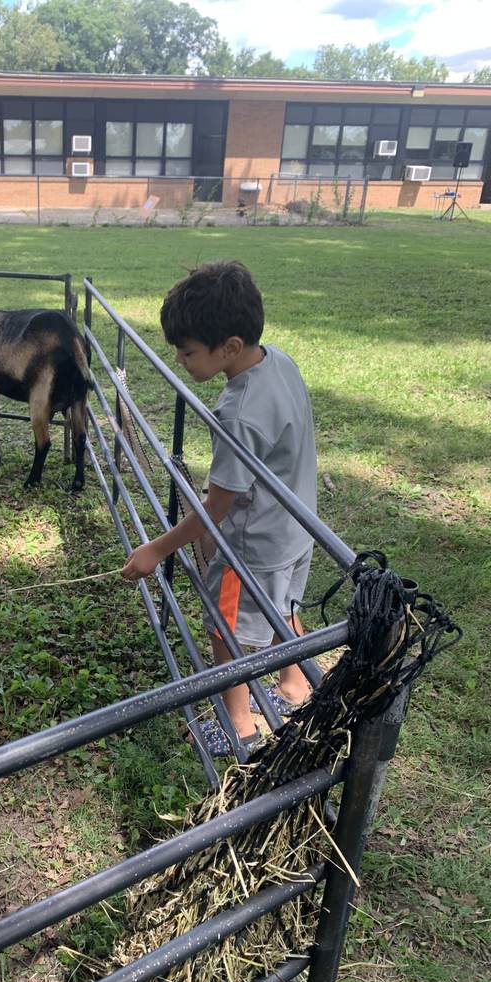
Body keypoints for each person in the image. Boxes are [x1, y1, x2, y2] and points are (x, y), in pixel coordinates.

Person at [122, 261, 317, 757]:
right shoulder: (281, 363)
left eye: (187, 352)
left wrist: (155, 549)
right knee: (285, 608)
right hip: (295, 530)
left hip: (252, 545)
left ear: (229, 346)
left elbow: (217, 509)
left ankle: (239, 726)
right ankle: (296, 686)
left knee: (223, 628)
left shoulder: (239, 412)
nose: (183, 361)